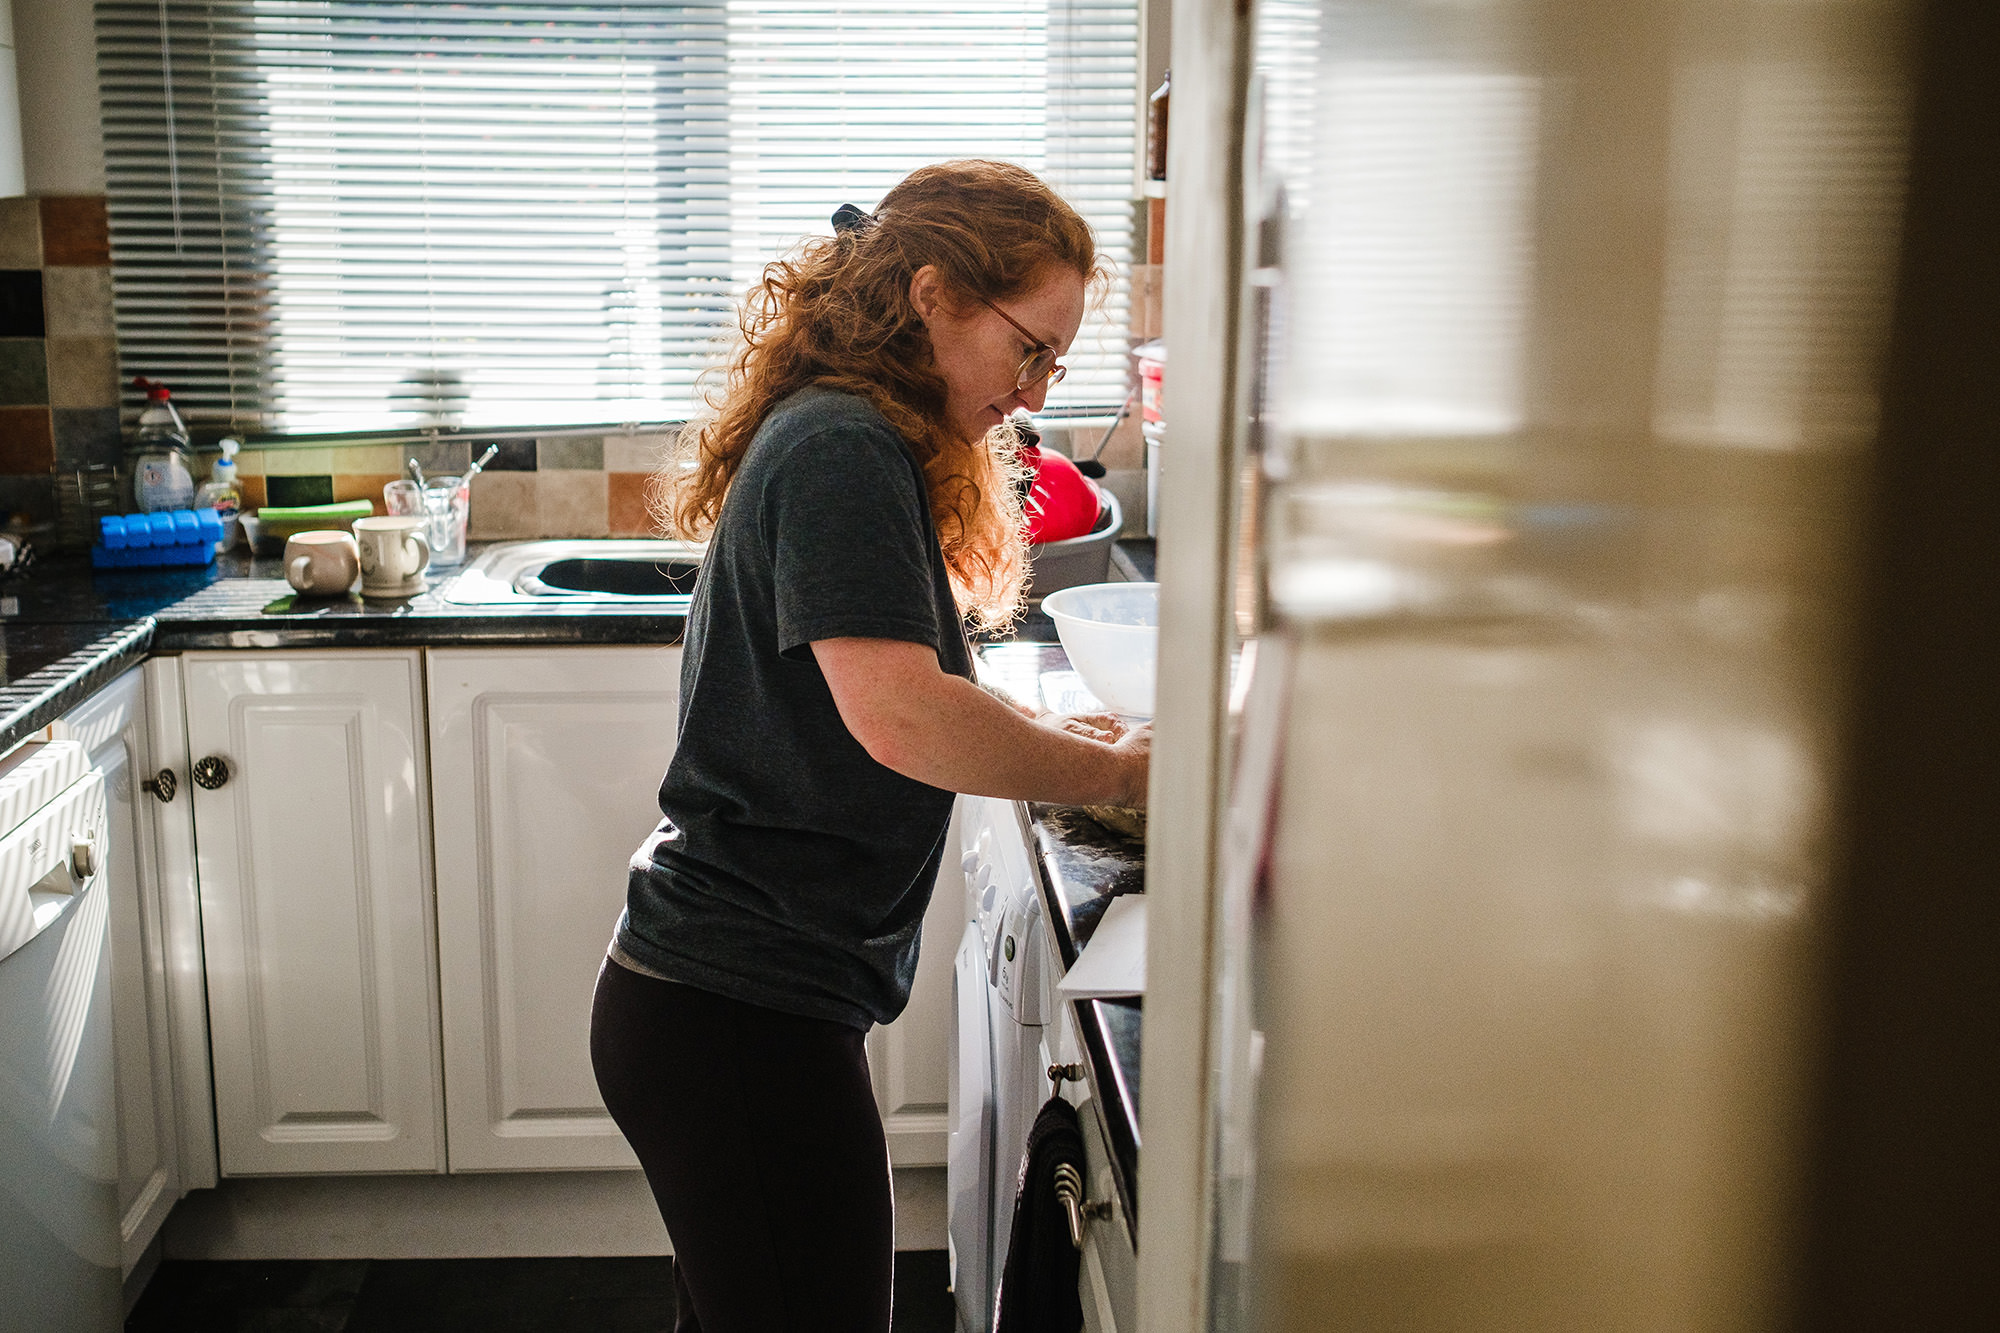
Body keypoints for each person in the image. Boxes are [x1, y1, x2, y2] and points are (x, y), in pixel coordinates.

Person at [589, 160, 1151, 1333]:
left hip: (723, 1002)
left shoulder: (856, 434)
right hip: (739, 1013)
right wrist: (1116, 774)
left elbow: (908, 688)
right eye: (1030, 347)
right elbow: (903, 714)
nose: (1038, 388)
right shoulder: (843, 447)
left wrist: (1052, 736)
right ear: (935, 294)